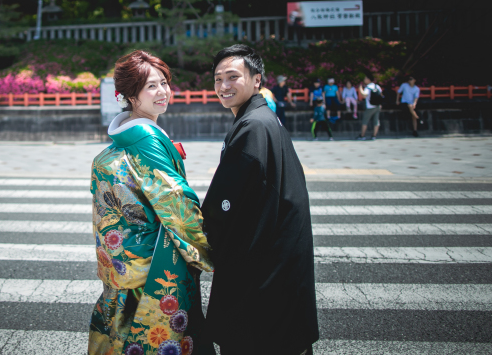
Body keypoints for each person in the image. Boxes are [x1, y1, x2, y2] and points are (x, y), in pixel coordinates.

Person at [88, 50, 214, 355]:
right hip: (154, 264)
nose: (163, 92)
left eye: (164, 83)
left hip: (128, 261)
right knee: (158, 337)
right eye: (151, 87)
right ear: (130, 96)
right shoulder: (146, 137)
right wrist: (211, 250)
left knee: (125, 335)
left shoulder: (124, 137)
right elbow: (176, 202)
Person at [202, 44, 319, 354]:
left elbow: (224, 204)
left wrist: (199, 239)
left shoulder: (252, 126)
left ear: (257, 80)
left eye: (232, 77)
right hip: (280, 260)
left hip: (262, 270)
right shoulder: (264, 118)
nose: (223, 86)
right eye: (217, 79)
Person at [357, 74, 383, 140]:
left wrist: (360, 88)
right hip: (377, 106)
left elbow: (364, 95)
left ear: (368, 79)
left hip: (370, 107)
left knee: (365, 121)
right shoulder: (377, 86)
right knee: (376, 121)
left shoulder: (368, 87)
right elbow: (381, 95)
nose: (364, 80)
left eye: (365, 78)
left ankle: (362, 136)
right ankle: (374, 136)